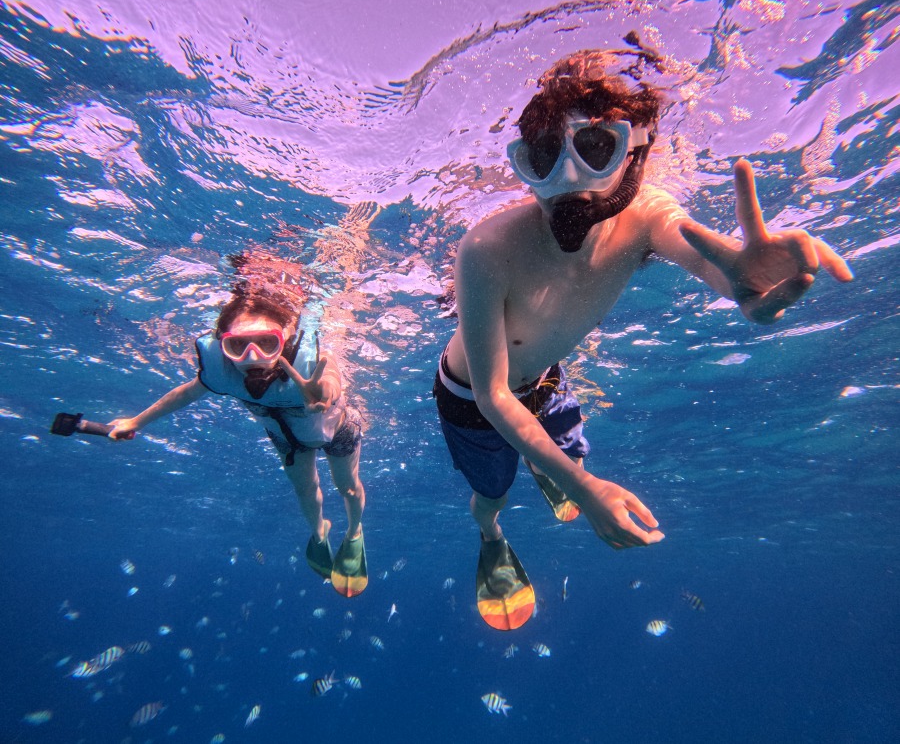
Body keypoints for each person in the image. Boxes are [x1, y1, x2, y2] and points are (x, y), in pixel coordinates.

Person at [434, 49, 854, 630]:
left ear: (634, 153)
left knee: (570, 455)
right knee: (495, 492)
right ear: (523, 164)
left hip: (546, 372)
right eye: (543, 158)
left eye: (596, 148)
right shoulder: (485, 250)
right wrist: (583, 488)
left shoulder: (649, 213)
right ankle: (490, 535)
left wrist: (742, 284)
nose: (566, 180)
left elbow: (704, 255)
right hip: (474, 397)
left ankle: (552, 464)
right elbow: (493, 395)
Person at [108, 284, 368, 597]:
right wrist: (136, 422)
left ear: (283, 339)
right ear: (222, 346)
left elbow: (331, 379)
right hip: (286, 437)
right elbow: (184, 394)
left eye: (266, 343)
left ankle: (354, 533)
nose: (252, 357)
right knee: (304, 489)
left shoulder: (311, 362)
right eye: (238, 347)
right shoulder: (221, 374)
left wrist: (324, 394)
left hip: (337, 429)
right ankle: (319, 531)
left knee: (348, 486)